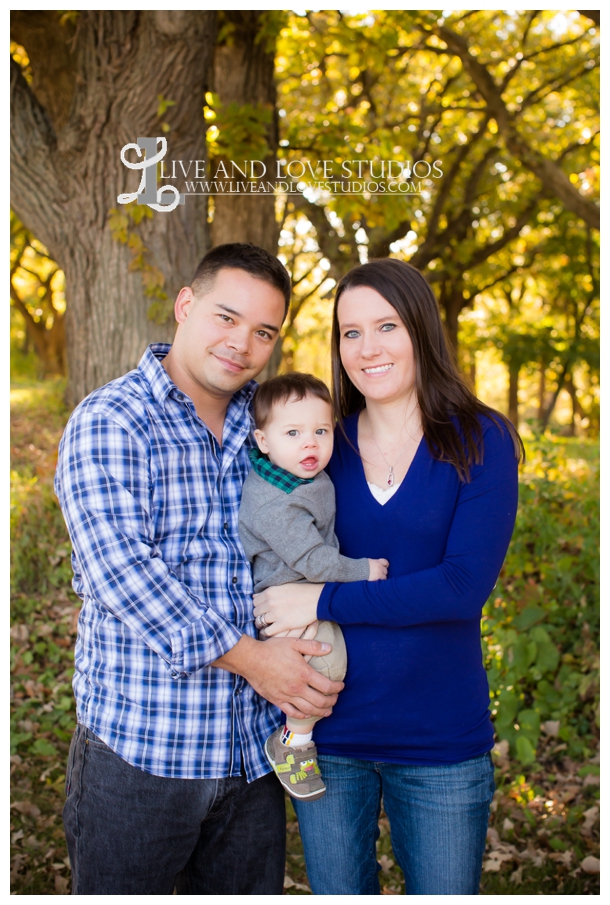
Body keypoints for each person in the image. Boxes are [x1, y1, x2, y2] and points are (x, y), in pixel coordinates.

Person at [53, 243, 344, 896]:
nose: (242, 343)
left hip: (251, 758)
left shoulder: (268, 431)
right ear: (186, 305)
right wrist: (255, 658)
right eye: (225, 316)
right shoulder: (113, 420)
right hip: (143, 756)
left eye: (264, 331)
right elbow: (121, 571)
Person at [253, 258, 523, 896]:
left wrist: (321, 596)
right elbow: (263, 551)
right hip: (326, 732)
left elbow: (460, 589)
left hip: (439, 739)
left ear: (421, 330)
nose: (367, 348)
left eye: (386, 326)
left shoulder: (477, 440)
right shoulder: (318, 446)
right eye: (350, 332)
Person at [238, 372, 389, 802]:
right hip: (286, 597)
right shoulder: (276, 502)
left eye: (321, 431)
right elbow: (312, 559)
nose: (311, 443)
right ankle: (293, 741)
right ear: (263, 441)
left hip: (307, 588)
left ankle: (295, 734)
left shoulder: (298, 475)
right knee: (325, 663)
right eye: (293, 433)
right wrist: (364, 571)